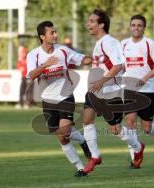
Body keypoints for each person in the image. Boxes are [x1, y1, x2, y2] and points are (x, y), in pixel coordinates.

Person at [26, 21, 92, 177]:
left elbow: (81, 59)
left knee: (65, 130)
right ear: (42, 37)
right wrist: (45, 65)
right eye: (52, 33)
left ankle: (83, 144)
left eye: (55, 32)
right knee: (62, 138)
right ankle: (80, 167)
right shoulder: (33, 55)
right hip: (48, 101)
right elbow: (31, 76)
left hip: (65, 97)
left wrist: (94, 58)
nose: (55, 35)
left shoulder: (62, 50)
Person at [82, 9, 140, 174]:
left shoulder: (109, 42)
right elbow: (104, 64)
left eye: (92, 21)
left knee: (116, 130)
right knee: (87, 121)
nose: (89, 24)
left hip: (110, 92)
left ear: (101, 25)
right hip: (95, 91)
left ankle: (137, 146)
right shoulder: (99, 42)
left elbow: (118, 66)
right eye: (89, 21)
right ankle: (95, 156)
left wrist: (101, 80)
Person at [121, 14, 154, 168]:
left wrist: (146, 78)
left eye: (139, 25)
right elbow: (119, 64)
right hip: (129, 89)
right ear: (130, 27)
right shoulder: (123, 44)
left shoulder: (149, 44)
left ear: (144, 28)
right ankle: (135, 159)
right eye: (133, 25)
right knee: (130, 122)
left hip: (147, 91)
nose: (136, 28)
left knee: (147, 128)